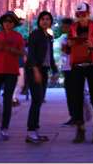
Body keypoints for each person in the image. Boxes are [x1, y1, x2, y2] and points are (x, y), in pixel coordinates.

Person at [63, 2, 93, 144]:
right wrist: (69, 45)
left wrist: (91, 45)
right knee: (77, 98)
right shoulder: (73, 28)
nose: (81, 18)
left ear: (88, 13)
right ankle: (80, 130)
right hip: (77, 65)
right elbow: (67, 51)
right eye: (78, 16)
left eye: (83, 15)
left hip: (92, 65)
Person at [0, 11, 25, 140]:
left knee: (7, 100)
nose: (7, 23)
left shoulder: (18, 36)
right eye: (5, 21)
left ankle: (4, 128)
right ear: (2, 22)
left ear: (14, 23)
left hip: (11, 71)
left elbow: (22, 52)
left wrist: (11, 49)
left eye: (10, 21)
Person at [25, 11, 57, 144]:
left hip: (44, 70)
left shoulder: (48, 36)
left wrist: (54, 70)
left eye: (47, 19)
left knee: (39, 100)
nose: (45, 21)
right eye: (43, 19)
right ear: (39, 21)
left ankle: (36, 129)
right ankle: (30, 131)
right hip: (34, 70)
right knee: (36, 100)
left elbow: (50, 55)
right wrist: (36, 71)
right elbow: (31, 55)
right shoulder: (35, 34)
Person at [58, 18, 77, 126]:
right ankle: (73, 116)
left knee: (74, 94)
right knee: (69, 94)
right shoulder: (64, 39)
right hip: (67, 68)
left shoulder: (76, 37)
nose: (64, 29)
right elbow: (64, 51)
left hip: (74, 67)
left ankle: (77, 116)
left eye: (66, 27)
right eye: (63, 27)